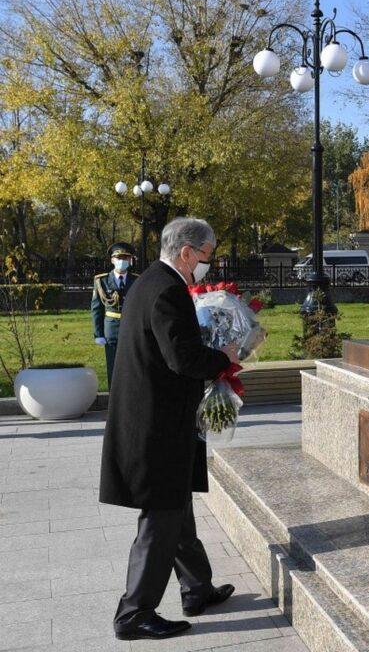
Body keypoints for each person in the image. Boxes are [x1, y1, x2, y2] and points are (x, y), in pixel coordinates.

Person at [100, 217, 241, 641]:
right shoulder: (166, 290)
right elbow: (182, 358)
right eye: (206, 257)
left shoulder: (151, 282)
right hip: (154, 427)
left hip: (158, 420)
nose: (207, 265)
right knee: (160, 519)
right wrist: (224, 357)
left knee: (176, 509)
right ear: (186, 252)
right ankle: (133, 614)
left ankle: (197, 589)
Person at [90, 242, 138, 389]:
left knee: (133, 367)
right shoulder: (102, 280)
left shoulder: (137, 279)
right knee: (113, 367)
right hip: (111, 330)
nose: (122, 261)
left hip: (132, 329)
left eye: (125, 257)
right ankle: (114, 402)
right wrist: (98, 334)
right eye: (118, 257)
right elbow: (97, 308)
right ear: (112, 260)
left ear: (130, 260)